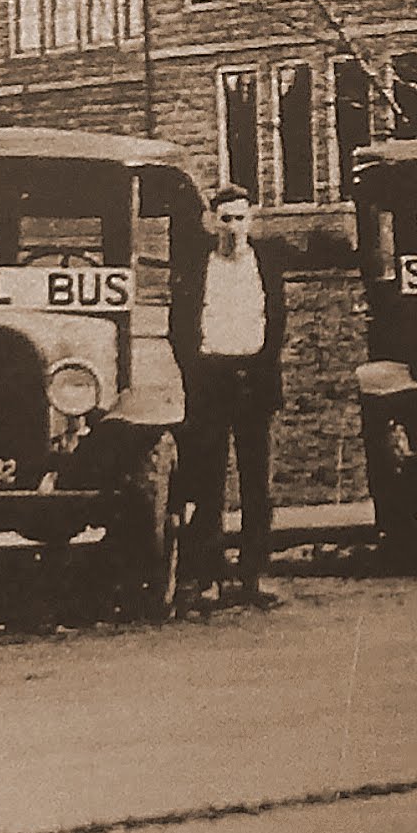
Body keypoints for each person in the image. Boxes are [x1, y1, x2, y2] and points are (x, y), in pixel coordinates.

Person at [171, 184, 288, 607]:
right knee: (208, 481)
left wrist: (263, 365)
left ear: (251, 220)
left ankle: (256, 574)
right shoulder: (197, 266)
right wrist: (196, 372)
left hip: (253, 379)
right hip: (210, 379)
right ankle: (209, 577)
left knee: (257, 482)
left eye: (240, 218)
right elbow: (180, 326)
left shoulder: (266, 263)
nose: (233, 227)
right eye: (226, 218)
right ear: (211, 222)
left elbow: (276, 322)